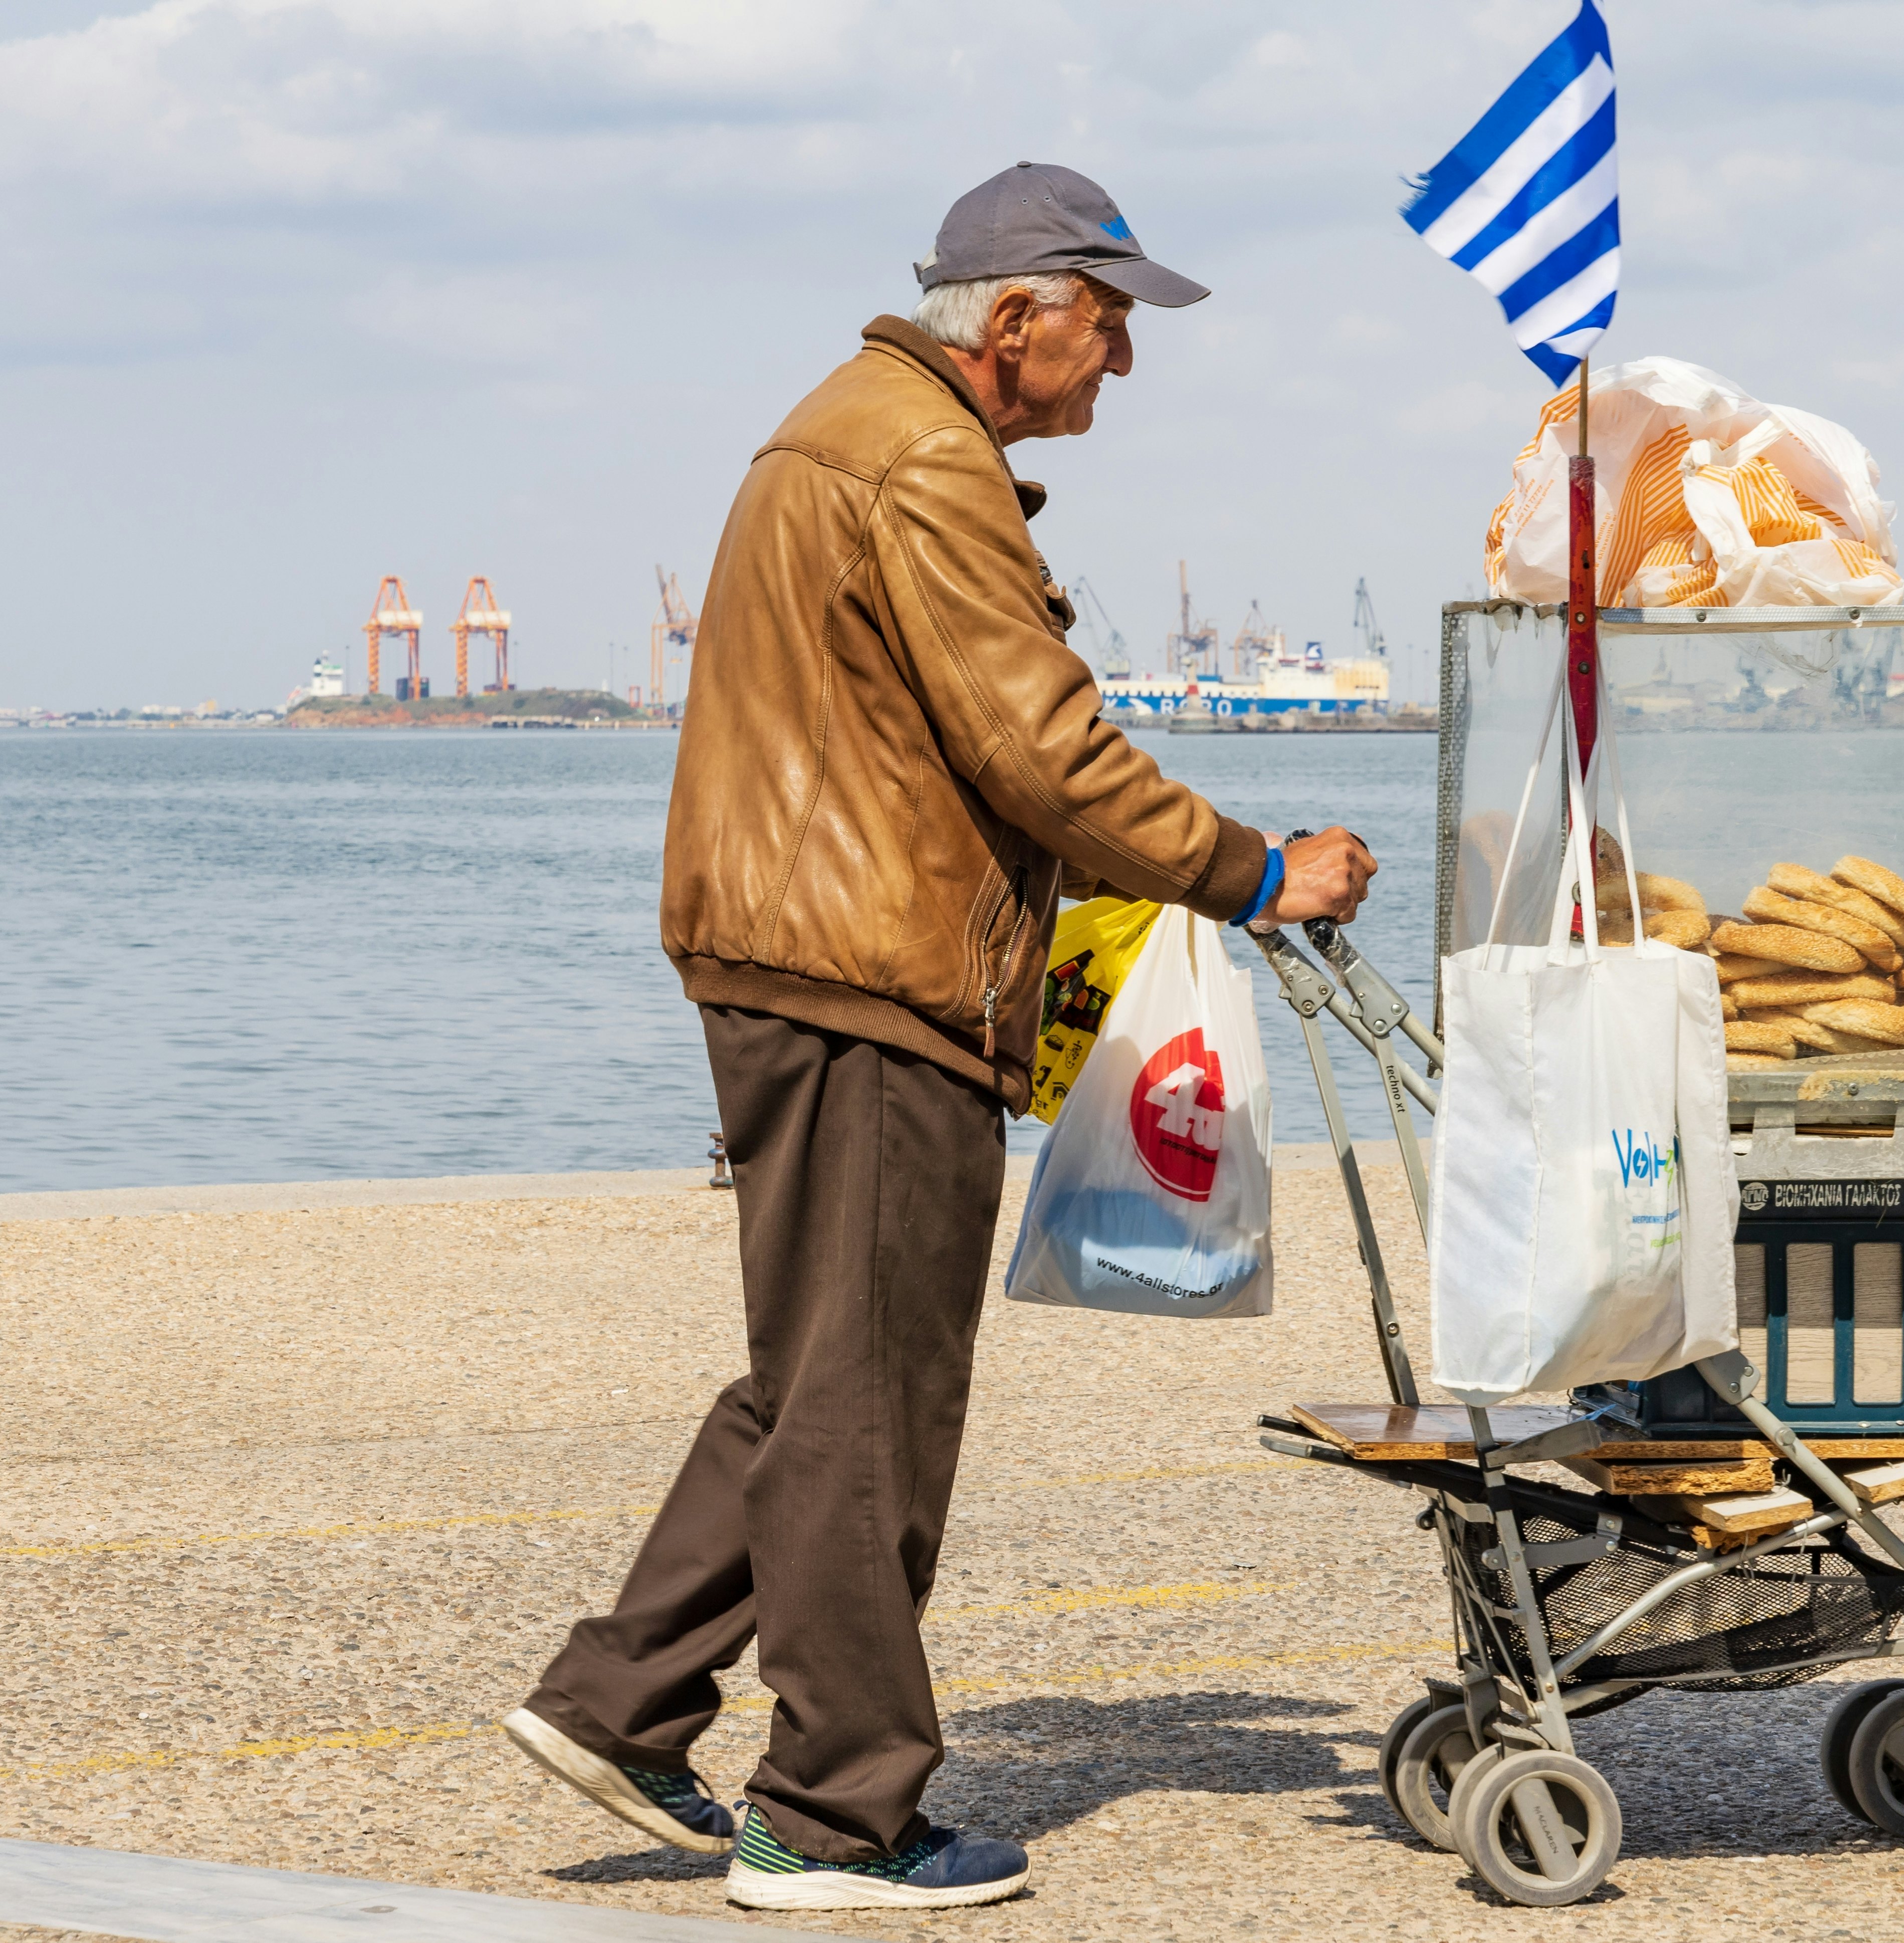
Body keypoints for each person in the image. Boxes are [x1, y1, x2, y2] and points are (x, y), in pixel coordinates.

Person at [501, 162, 1378, 1914]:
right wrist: (1255, 870)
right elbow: (1041, 746)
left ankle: (622, 1701)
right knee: (873, 1405)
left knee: (814, 1380)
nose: (1122, 359)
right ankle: (835, 1819)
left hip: (801, 957)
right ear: (1016, 312)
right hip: (867, 973)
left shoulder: (854, 431)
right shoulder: (920, 457)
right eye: (1108, 319)